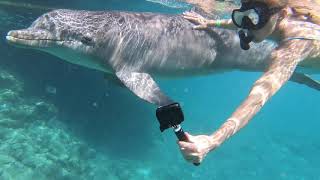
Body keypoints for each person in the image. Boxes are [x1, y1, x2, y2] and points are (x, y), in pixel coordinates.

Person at [178, 0, 320, 164]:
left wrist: (213, 140)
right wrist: (209, 22)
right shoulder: (275, 20)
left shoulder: (293, 46)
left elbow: (259, 96)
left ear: (282, 15)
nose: (247, 27)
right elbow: (236, 22)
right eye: (243, 17)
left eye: (254, 18)